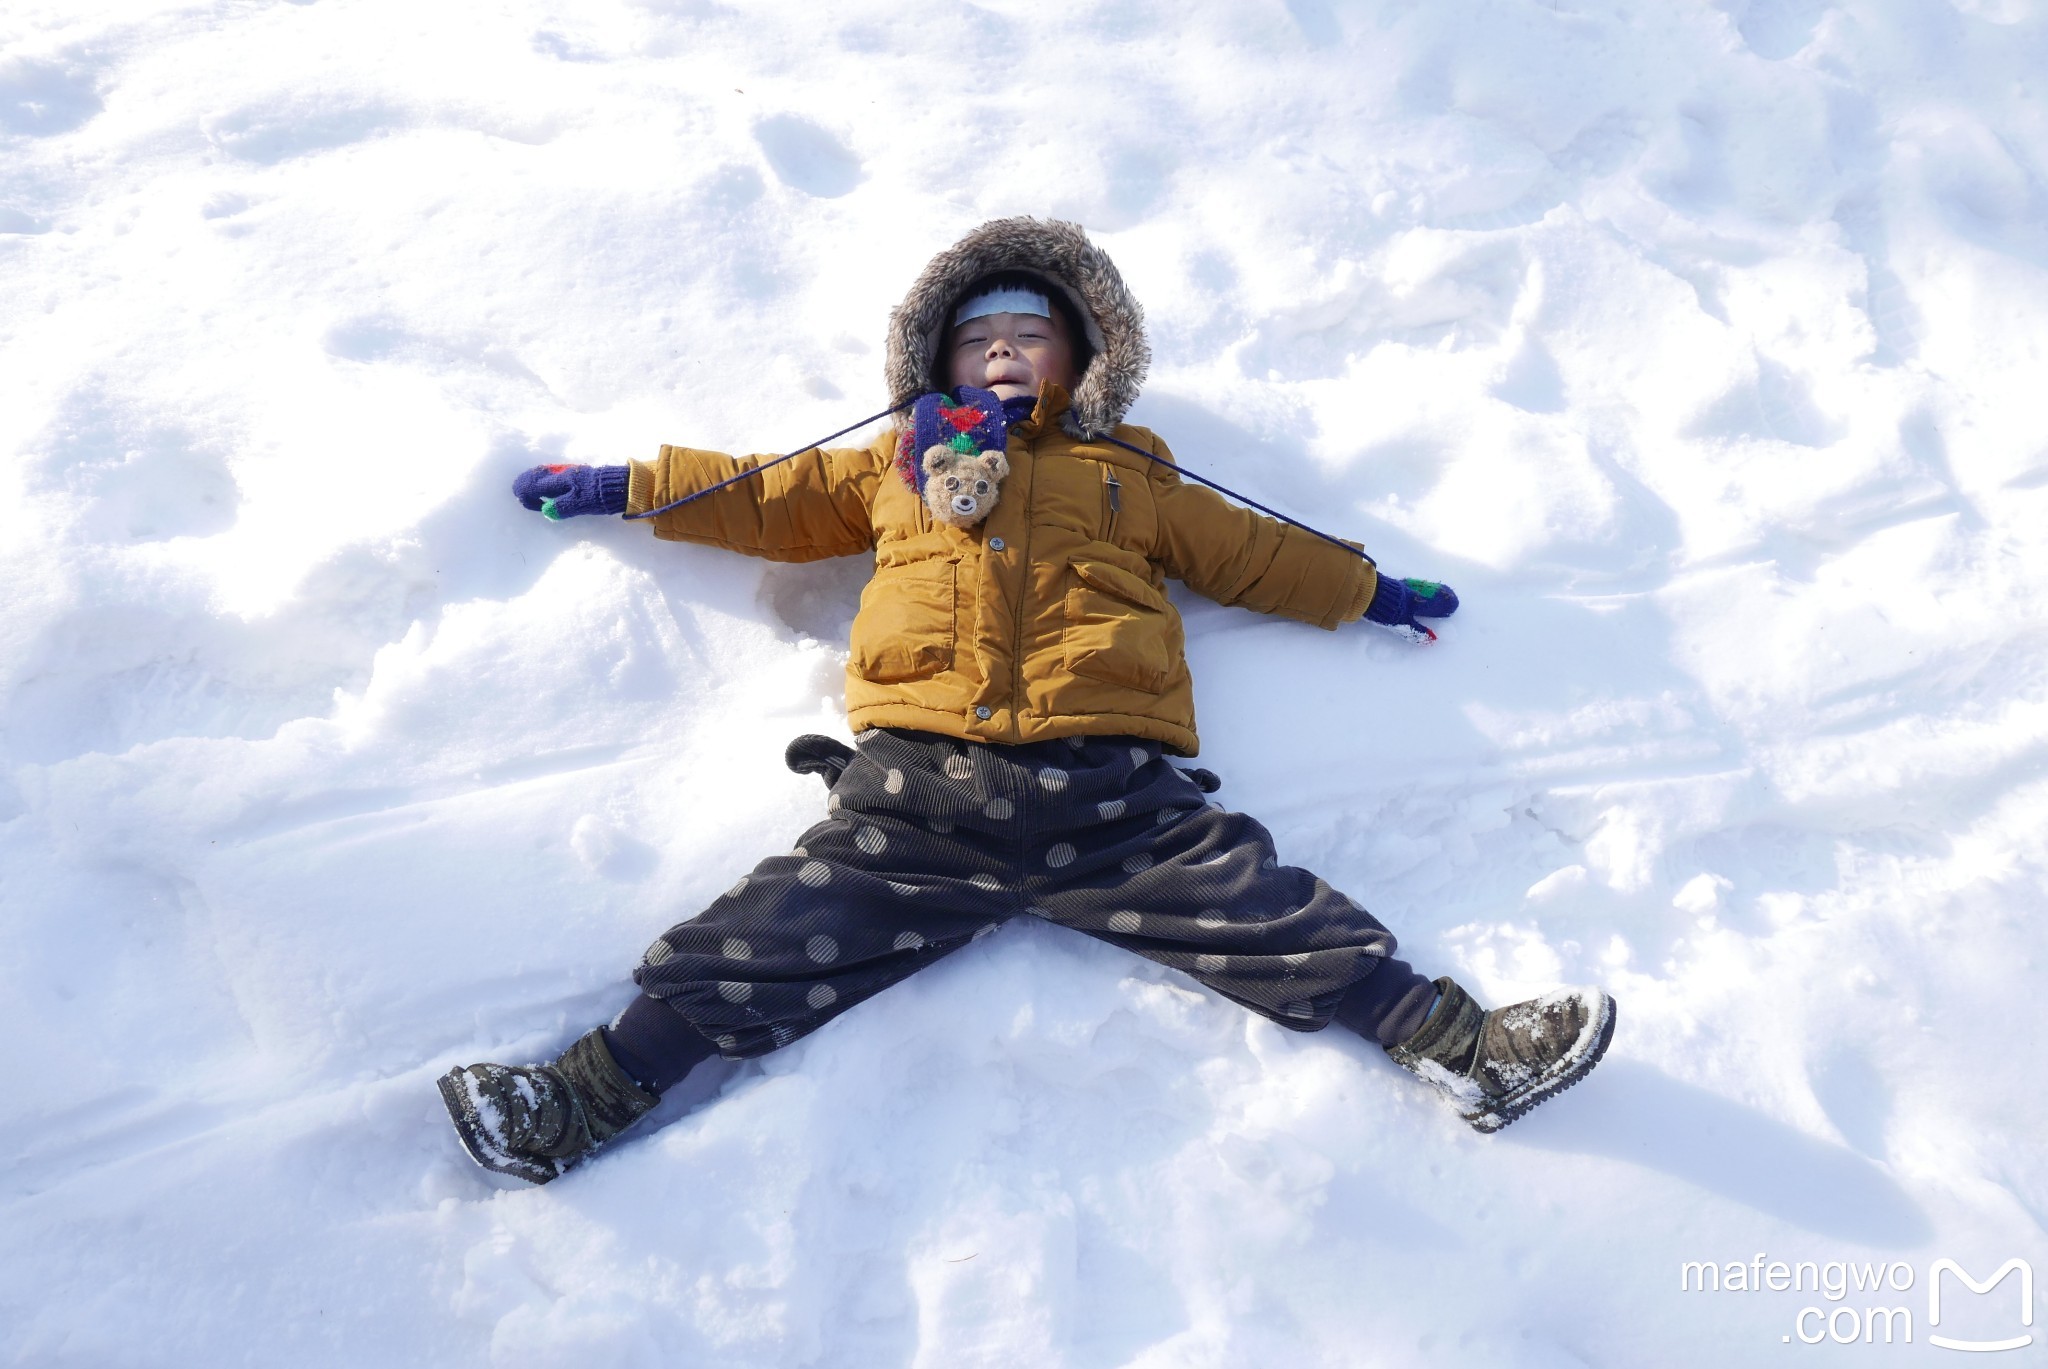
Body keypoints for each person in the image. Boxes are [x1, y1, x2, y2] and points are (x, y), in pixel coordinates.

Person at [438, 217, 1615, 1184]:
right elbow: (763, 497)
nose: (1002, 349)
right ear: (936, 360)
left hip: (1111, 795)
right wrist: (628, 486)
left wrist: (1365, 590)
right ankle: (575, 1103)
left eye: (1030, 332)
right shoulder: (893, 458)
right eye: (978, 335)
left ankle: (1467, 1050)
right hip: (917, 796)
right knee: (759, 943)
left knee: (1271, 914)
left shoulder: (1131, 469)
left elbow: (1253, 553)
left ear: (1081, 354)